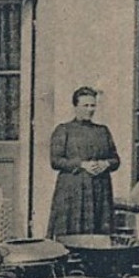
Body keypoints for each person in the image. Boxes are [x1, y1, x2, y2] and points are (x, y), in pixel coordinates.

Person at [48, 86, 120, 237]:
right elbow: (55, 161)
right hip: (73, 190)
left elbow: (116, 159)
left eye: (93, 105)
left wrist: (105, 164)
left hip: (100, 190)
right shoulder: (64, 130)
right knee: (71, 232)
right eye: (85, 106)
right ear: (75, 107)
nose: (90, 109)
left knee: (99, 234)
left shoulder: (102, 131)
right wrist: (82, 164)